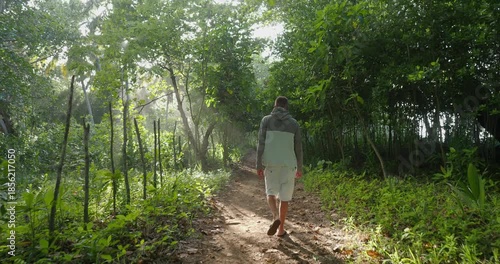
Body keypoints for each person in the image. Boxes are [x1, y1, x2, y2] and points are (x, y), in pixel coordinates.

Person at [256, 96, 303, 237]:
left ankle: (275, 216)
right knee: (284, 199)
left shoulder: (266, 120)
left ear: (275, 105)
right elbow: (298, 147)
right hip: (289, 165)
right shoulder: (294, 124)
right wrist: (300, 167)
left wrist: (258, 164)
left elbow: (260, 143)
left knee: (270, 193)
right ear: (286, 106)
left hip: (271, 163)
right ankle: (281, 229)